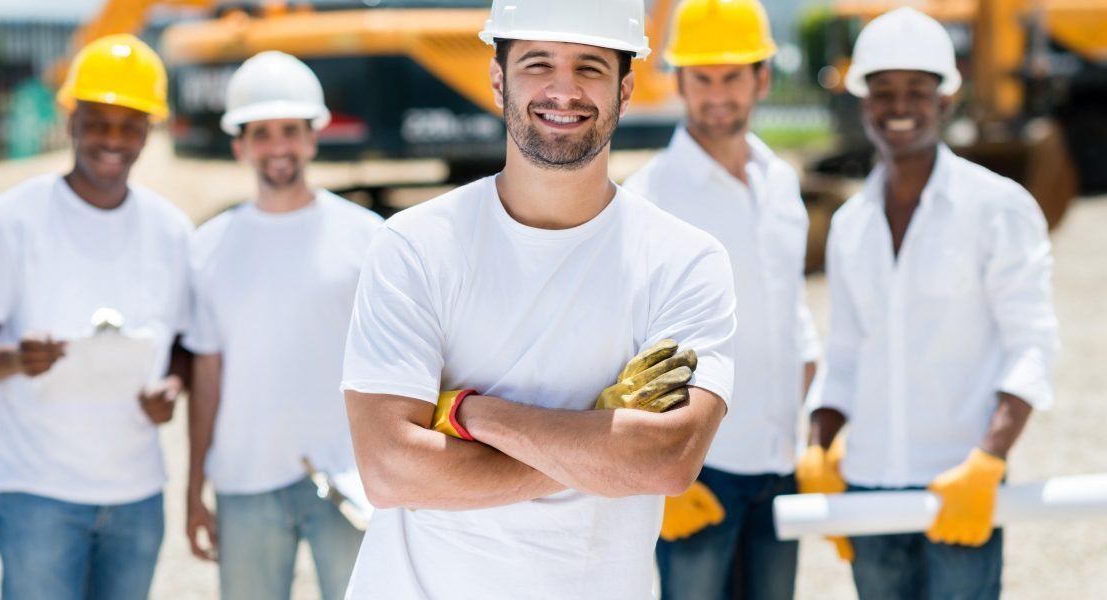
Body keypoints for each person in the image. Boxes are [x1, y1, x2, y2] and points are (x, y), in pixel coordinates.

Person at [339, 0, 738, 598]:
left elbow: (667, 461)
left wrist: (470, 415)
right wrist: (599, 444)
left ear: (625, 90)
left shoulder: (684, 261)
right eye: (538, 63)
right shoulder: (415, 246)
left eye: (590, 67)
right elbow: (390, 470)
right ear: (498, 79)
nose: (564, 90)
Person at [798, 8, 1059, 599]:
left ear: (946, 99)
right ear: (863, 101)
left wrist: (989, 461)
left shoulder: (998, 208)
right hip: (868, 488)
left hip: (958, 482)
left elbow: (1032, 344)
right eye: (883, 91)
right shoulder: (850, 224)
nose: (899, 106)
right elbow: (846, 353)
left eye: (917, 90)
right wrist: (817, 449)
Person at [0, 35, 191, 600]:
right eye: (98, 122)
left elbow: (183, 343)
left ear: (148, 131)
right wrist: (16, 357)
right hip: (38, 493)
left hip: (136, 495)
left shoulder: (171, 231)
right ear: (71, 121)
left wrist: (172, 386)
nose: (113, 139)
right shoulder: (13, 220)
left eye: (129, 125)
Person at [625, 0, 819, 597]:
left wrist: (815, 437)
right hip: (696, 472)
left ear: (763, 77)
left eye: (731, 76)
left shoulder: (780, 182)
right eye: (702, 78)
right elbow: (618, 345)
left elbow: (792, 315)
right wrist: (649, 475)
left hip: (779, 463)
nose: (717, 95)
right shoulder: (648, 197)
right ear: (679, 81)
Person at [182, 50, 380, 600]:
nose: (278, 147)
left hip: (350, 477)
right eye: (262, 133)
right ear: (240, 146)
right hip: (245, 476)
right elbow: (207, 377)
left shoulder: (367, 238)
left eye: (290, 130)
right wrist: (194, 487)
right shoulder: (209, 247)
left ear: (313, 137)